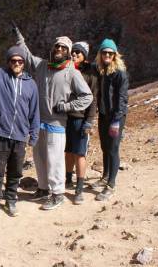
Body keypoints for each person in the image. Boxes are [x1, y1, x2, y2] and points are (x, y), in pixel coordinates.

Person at [14, 27, 93, 210]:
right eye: (57, 47)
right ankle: (42, 188)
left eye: (63, 48)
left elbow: (87, 96)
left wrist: (67, 106)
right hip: (38, 121)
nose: (59, 50)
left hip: (57, 123)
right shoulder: (43, 65)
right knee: (39, 157)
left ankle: (57, 193)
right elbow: (26, 56)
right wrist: (19, 37)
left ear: (67, 52)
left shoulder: (72, 72)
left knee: (55, 159)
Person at [0, 30, 40, 218]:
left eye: (20, 61)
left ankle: (11, 200)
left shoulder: (31, 84)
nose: (17, 64)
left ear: (24, 63)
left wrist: (34, 134)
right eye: (13, 61)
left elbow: (34, 111)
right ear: (9, 62)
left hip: (20, 135)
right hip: (1, 133)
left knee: (15, 172)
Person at [91, 38, 128, 201]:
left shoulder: (119, 73)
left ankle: (111, 185)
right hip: (104, 115)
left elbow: (122, 98)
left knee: (113, 149)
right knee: (105, 147)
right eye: (104, 52)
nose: (107, 55)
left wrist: (116, 120)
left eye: (110, 53)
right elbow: (86, 66)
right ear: (100, 54)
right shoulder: (101, 70)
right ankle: (105, 176)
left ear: (114, 55)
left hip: (115, 118)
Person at [64, 41, 98, 205]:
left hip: (80, 119)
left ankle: (79, 188)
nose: (75, 54)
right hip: (65, 118)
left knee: (80, 153)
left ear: (85, 56)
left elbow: (93, 100)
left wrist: (89, 121)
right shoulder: (65, 69)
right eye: (73, 52)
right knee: (68, 151)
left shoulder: (91, 74)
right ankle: (67, 179)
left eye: (79, 52)